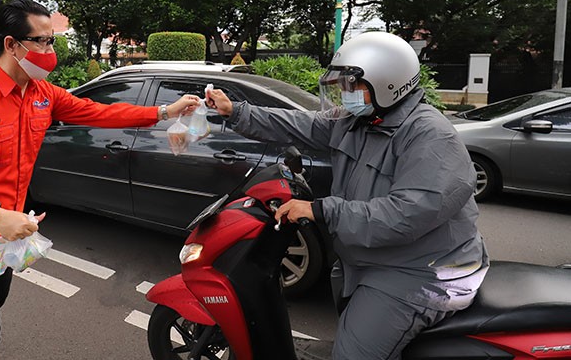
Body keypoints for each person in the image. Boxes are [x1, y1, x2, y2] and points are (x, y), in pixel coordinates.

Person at [0, 0, 200, 360]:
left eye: (51, 41)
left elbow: (98, 112)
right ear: (12, 44)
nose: (49, 51)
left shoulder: (42, 94)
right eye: (41, 41)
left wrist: (163, 111)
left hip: (7, 240)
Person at [206, 31, 489, 360]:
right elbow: (298, 123)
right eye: (341, 85)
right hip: (371, 259)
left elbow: (405, 215)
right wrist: (234, 111)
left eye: (352, 85)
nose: (344, 93)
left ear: (387, 83)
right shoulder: (359, 120)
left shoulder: (430, 136)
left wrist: (321, 211)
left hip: (421, 271)